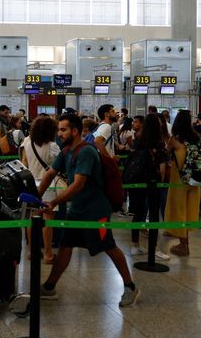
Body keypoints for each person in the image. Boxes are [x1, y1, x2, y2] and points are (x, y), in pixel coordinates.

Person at [36, 113, 140, 308]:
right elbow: (50, 173)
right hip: (77, 210)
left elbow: (78, 185)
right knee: (66, 245)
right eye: (59, 129)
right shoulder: (66, 150)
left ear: (75, 131)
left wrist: (53, 202)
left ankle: (130, 287)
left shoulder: (86, 152)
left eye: (63, 129)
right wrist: (36, 196)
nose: (59, 133)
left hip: (96, 212)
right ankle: (49, 286)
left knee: (108, 245)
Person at [127, 113, 170, 259]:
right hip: (152, 181)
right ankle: (154, 248)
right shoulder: (158, 142)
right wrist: (161, 181)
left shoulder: (138, 139)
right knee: (153, 215)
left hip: (137, 181)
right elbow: (162, 168)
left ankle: (135, 246)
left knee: (138, 213)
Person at [20, 116, 62, 264]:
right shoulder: (53, 146)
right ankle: (48, 254)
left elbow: (23, 164)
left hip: (32, 184)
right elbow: (58, 167)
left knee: (32, 219)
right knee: (48, 220)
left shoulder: (26, 141)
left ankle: (32, 251)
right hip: (48, 185)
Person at [164, 110, 201, 257]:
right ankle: (185, 242)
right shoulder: (196, 137)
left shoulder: (175, 139)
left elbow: (166, 154)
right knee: (190, 208)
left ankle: (183, 244)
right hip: (194, 179)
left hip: (179, 179)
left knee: (179, 210)